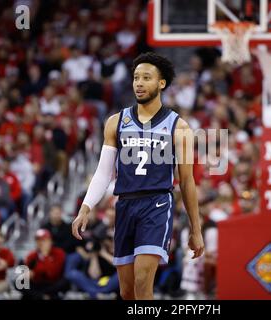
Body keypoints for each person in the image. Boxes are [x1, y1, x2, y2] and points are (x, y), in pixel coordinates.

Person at [72, 52, 204, 300]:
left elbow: (186, 181)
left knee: (143, 283)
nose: (139, 83)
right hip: (125, 205)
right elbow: (103, 172)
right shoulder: (115, 122)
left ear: (161, 83)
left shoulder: (179, 127)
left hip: (156, 204)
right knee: (127, 291)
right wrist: (85, 208)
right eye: (135, 78)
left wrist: (196, 229)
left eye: (146, 78)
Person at [20, 229, 68, 300]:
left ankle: (40, 295)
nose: (41, 243)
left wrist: (44, 256)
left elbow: (53, 273)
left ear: (50, 241)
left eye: (44, 240)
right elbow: (26, 270)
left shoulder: (59, 253)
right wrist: (27, 274)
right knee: (19, 282)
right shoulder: (32, 255)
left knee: (65, 281)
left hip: (52, 284)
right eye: (38, 240)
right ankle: (42, 296)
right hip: (37, 283)